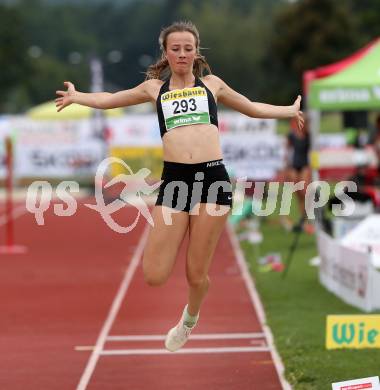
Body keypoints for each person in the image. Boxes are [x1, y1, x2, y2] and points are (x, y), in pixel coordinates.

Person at [55, 21, 304, 352]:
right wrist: (78, 97)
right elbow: (111, 98)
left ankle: (189, 320)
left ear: (196, 50)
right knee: (154, 275)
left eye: (188, 48)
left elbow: (253, 107)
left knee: (195, 274)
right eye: (176, 48)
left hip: (212, 181)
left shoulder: (212, 85)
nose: (183, 54)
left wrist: (288, 110)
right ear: (166, 52)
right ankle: (184, 303)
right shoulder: (154, 89)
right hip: (175, 182)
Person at [283, 116, 314, 233]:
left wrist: (312, 168)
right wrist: (286, 167)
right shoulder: (291, 135)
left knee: (305, 192)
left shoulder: (309, 136)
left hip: (305, 165)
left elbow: (312, 151)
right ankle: (304, 219)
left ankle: (310, 218)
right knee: (298, 194)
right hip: (294, 165)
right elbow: (287, 151)